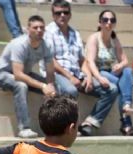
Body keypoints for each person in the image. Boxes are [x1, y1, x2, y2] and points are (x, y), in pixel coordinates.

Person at [45, 0, 118, 137]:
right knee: (70, 90)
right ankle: (68, 129)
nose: (62, 15)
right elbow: (51, 61)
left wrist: (89, 76)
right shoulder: (49, 32)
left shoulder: (75, 33)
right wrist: (70, 77)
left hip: (77, 74)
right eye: (58, 13)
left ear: (70, 14)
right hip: (57, 74)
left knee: (111, 89)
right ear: (53, 15)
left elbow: (82, 60)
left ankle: (90, 123)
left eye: (65, 12)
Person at [0, 15, 57, 139]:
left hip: (25, 73)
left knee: (55, 90)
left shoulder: (46, 45)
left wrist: (50, 86)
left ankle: (54, 126)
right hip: (2, 74)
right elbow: (18, 74)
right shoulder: (19, 44)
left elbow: (50, 71)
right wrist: (43, 86)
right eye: (35, 27)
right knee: (21, 86)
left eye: (41, 28)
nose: (39, 30)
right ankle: (24, 128)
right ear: (28, 29)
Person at [86, 9, 133, 136]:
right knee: (122, 84)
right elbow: (90, 62)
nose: (108, 23)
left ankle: (126, 104)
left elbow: (125, 60)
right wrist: (99, 77)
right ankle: (126, 122)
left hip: (112, 73)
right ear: (100, 22)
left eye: (112, 20)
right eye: (105, 20)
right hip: (99, 72)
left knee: (127, 71)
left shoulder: (114, 39)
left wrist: (120, 65)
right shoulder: (94, 38)